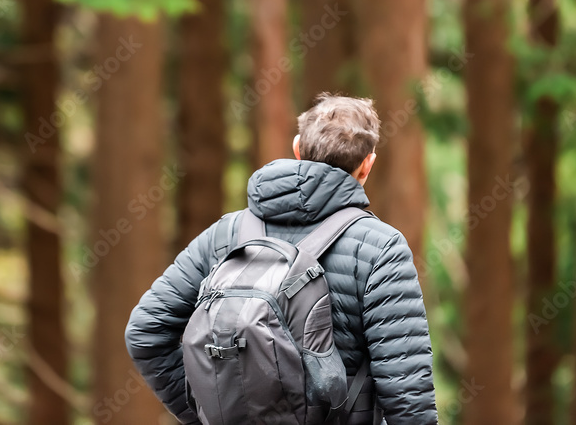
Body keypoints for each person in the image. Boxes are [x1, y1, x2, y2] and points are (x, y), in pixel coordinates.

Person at [125, 93, 438, 424]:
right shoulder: (381, 248)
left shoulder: (226, 234)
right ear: (367, 164)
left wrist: (205, 412)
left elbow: (145, 332)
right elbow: (407, 394)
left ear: (297, 148)